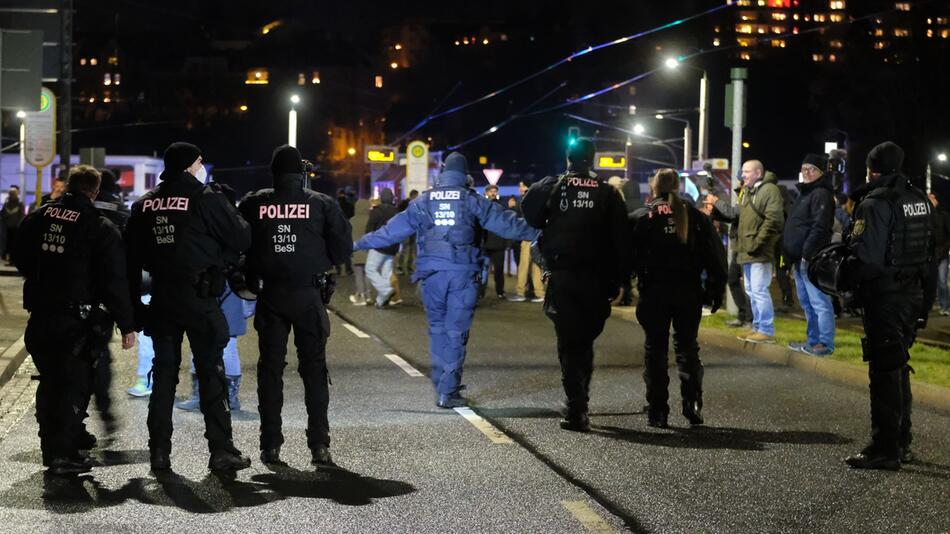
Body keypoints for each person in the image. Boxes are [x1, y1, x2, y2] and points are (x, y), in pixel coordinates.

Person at [355, 152, 537, 408]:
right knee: (456, 332)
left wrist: (355, 245)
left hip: (431, 277)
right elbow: (507, 224)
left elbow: (390, 232)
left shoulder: (424, 201)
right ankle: (448, 391)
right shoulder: (472, 200)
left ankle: (443, 384)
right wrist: (541, 232)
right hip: (462, 275)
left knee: (438, 329)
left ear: (443, 172)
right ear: (465, 174)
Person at [126, 142, 252, 472]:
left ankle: (159, 453)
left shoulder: (145, 204)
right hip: (200, 298)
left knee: (164, 377)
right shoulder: (205, 198)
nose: (201, 167)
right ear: (188, 166)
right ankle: (221, 451)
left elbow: (130, 257)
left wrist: (133, 309)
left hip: (163, 299)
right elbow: (241, 238)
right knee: (211, 373)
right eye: (199, 162)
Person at [816, 142, 935, 470]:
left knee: (884, 371)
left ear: (872, 169)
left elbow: (866, 259)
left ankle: (884, 448)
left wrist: (844, 283)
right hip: (912, 294)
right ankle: (902, 441)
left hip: (884, 296)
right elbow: (931, 253)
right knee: (898, 365)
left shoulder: (875, 202)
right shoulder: (919, 199)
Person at [14, 165, 136, 476]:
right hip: (76, 320)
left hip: (40, 315)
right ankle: (63, 454)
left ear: (68, 186)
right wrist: (126, 323)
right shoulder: (99, 226)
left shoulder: (38, 217)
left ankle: (50, 448)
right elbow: (114, 281)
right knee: (73, 385)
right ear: (94, 191)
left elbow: (18, 256)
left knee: (49, 381)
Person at [239, 145, 352, 467]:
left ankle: (270, 446)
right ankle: (319, 446)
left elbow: (238, 241)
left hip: (270, 296)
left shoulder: (254, 203)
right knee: (314, 371)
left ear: (274, 174)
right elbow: (343, 249)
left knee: (270, 371)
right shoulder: (321, 204)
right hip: (307, 295)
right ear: (301, 174)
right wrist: (315, 261)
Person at [521, 139, 630, 432]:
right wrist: (621, 280)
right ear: (592, 160)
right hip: (596, 279)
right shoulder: (608, 193)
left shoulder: (556, 187)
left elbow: (529, 211)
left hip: (564, 276)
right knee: (585, 341)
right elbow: (621, 239)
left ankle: (576, 407)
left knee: (569, 343)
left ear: (569, 158)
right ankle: (579, 401)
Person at [630, 169, 726, 428]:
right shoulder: (694, 216)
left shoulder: (643, 217)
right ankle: (692, 405)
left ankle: (658, 410)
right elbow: (715, 256)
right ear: (677, 186)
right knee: (687, 349)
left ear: (654, 187)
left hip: (654, 293)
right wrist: (715, 290)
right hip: (688, 292)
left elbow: (628, 256)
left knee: (655, 350)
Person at [783, 154, 836, 355]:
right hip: (799, 259)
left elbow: (820, 226)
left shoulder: (820, 193)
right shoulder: (806, 193)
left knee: (819, 302)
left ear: (821, 172)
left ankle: (825, 343)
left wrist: (806, 253)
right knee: (807, 303)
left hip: (810, 259)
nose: (806, 172)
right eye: (804, 168)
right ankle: (813, 341)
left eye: (811, 169)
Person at [735, 162, 784, 343]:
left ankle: (766, 330)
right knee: (751, 290)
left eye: (747, 172)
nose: (743, 175)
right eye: (743, 172)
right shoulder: (750, 191)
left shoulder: (768, 190)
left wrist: (757, 243)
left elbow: (773, 220)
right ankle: (757, 327)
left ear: (758, 172)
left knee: (759, 290)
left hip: (759, 251)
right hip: (749, 250)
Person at [706, 185, 753, 329]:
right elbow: (732, 217)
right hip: (739, 246)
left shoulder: (750, 195)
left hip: (746, 246)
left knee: (751, 287)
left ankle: (750, 319)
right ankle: (743, 316)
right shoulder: (743, 194)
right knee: (732, 279)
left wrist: (716, 201)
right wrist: (713, 210)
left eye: (744, 175)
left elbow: (733, 213)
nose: (741, 181)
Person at [510, 180, 545, 303]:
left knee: (524, 266)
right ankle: (540, 293)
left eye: (522, 186)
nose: (520, 188)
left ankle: (521, 292)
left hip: (527, 237)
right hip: (538, 237)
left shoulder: (525, 200)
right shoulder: (540, 199)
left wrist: (515, 206)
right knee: (536, 266)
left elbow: (520, 215)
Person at [364, 188, 399, 308]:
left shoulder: (376, 211)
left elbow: (370, 229)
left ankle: (386, 290)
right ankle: (381, 301)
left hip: (378, 245)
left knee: (370, 269)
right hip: (392, 246)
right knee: (386, 272)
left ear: (381, 198)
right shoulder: (397, 212)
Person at [482, 185, 509, 298]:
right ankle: (480, 292)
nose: (493, 193)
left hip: (498, 243)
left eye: (494, 191)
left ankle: (500, 291)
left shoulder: (502, 205)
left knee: (498, 269)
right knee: (483, 270)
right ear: (486, 193)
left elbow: (506, 224)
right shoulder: (482, 205)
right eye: (491, 191)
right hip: (485, 243)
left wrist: (507, 242)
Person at [930, 193, 950, 315]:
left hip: (942, 254)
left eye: (932, 197)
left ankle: (945, 306)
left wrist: (945, 248)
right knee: (932, 282)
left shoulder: (943, 216)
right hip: (931, 255)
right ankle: (931, 304)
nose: (930, 200)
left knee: (942, 281)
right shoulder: (927, 216)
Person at [396, 189, 419, 275]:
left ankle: (407, 267)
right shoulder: (405, 204)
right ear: (412, 196)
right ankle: (401, 266)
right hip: (406, 229)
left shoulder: (413, 205)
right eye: (416, 196)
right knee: (406, 249)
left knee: (411, 249)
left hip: (412, 229)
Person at [3, 185, 25, 264]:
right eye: (10, 193)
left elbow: (22, 216)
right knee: (8, 244)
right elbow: (3, 214)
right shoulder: (6, 203)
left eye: (13, 193)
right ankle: (9, 259)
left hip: (16, 228)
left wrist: (19, 226)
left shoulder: (20, 204)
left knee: (14, 244)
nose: (11, 195)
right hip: (7, 228)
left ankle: (13, 260)